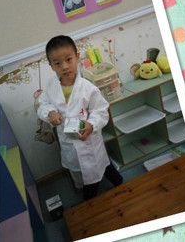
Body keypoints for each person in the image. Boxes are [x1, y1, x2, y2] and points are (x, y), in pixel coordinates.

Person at [36, 35, 123, 200]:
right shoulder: (51, 85)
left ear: (77, 57)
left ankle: (91, 197)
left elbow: (100, 110)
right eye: (57, 63)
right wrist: (50, 112)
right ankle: (116, 181)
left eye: (69, 59)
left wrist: (91, 124)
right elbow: (43, 104)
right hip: (68, 140)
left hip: (88, 138)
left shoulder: (87, 88)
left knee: (96, 166)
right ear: (51, 66)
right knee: (89, 167)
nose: (64, 66)